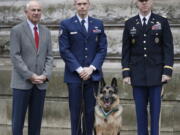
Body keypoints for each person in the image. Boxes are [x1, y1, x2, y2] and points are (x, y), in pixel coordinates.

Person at [121, 0, 174, 135]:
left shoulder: (162, 21)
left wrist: (167, 71)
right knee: (140, 113)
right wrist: (126, 73)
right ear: (136, 3)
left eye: (147, 1)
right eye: (141, 1)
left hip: (157, 75)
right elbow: (126, 50)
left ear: (152, 2)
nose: (144, 3)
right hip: (137, 75)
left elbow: (168, 48)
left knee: (155, 113)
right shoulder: (130, 23)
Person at [59, 0, 107, 134]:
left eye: (85, 3)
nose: (82, 6)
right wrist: (80, 69)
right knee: (75, 113)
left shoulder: (98, 24)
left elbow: (102, 49)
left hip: (92, 77)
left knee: (90, 113)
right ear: (75, 5)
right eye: (79, 3)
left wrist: (91, 68)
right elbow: (64, 50)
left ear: (89, 5)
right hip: (74, 76)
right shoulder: (66, 24)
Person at [10, 0, 53, 135]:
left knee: (36, 123)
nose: (36, 13)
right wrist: (30, 75)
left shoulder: (46, 31)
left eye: (38, 10)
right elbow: (15, 56)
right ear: (26, 12)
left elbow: (50, 56)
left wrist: (45, 75)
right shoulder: (16, 30)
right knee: (18, 123)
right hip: (22, 83)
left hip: (40, 84)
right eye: (33, 10)